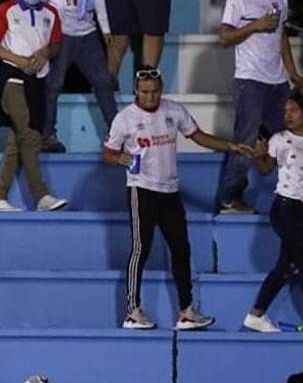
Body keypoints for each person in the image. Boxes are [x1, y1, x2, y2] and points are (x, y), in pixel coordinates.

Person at [103, 70, 254, 329]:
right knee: (141, 249)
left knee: (181, 250)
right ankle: (132, 311)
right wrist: (119, 159)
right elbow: (108, 153)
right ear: (136, 91)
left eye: (155, 91)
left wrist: (231, 146)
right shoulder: (125, 119)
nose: (150, 97)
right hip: (142, 190)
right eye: (145, 92)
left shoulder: (174, 111)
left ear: (161, 89)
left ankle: (186, 311)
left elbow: (198, 136)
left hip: (170, 192)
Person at [216, 0, 303, 214]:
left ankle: (297, 193)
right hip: (250, 79)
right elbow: (224, 38)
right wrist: (254, 25)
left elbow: (282, 38)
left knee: (289, 138)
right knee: (245, 139)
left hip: (277, 82)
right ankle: (230, 197)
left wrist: (292, 74)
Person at [0, 0, 69, 213]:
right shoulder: (6, 10)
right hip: (13, 78)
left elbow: (55, 44)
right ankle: (41, 196)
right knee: (31, 135)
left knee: (16, 139)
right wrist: (18, 60)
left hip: (37, 80)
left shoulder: (51, 13)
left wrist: (45, 53)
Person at [244, 96, 303, 333]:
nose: (288, 115)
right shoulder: (280, 139)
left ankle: (256, 314)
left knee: (287, 265)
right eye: (286, 111)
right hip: (285, 207)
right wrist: (256, 154)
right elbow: (265, 169)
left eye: (293, 111)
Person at [38, 0, 115, 153]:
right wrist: (43, 29)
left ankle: (116, 134)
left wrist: (105, 28)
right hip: (62, 30)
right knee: (53, 85)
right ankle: (47, 135)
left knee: (103, 82)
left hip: (88, 30)